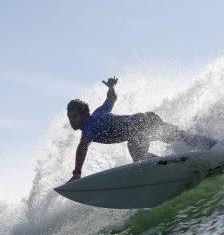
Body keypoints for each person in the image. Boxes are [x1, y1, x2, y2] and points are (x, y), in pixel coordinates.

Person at [66, 77, 216, 182]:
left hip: (140, 125)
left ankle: (177, 170)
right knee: (182, 137)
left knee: (138, 154)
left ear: (84, 115)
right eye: (69, 116)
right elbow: (111, 98)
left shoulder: (89, 125)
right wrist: (111, 86)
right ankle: (214, 146)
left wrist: (77, 173)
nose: (71, 120)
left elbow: (83, 145)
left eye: (74, 116)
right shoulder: (99, 113)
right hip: (147, 120)